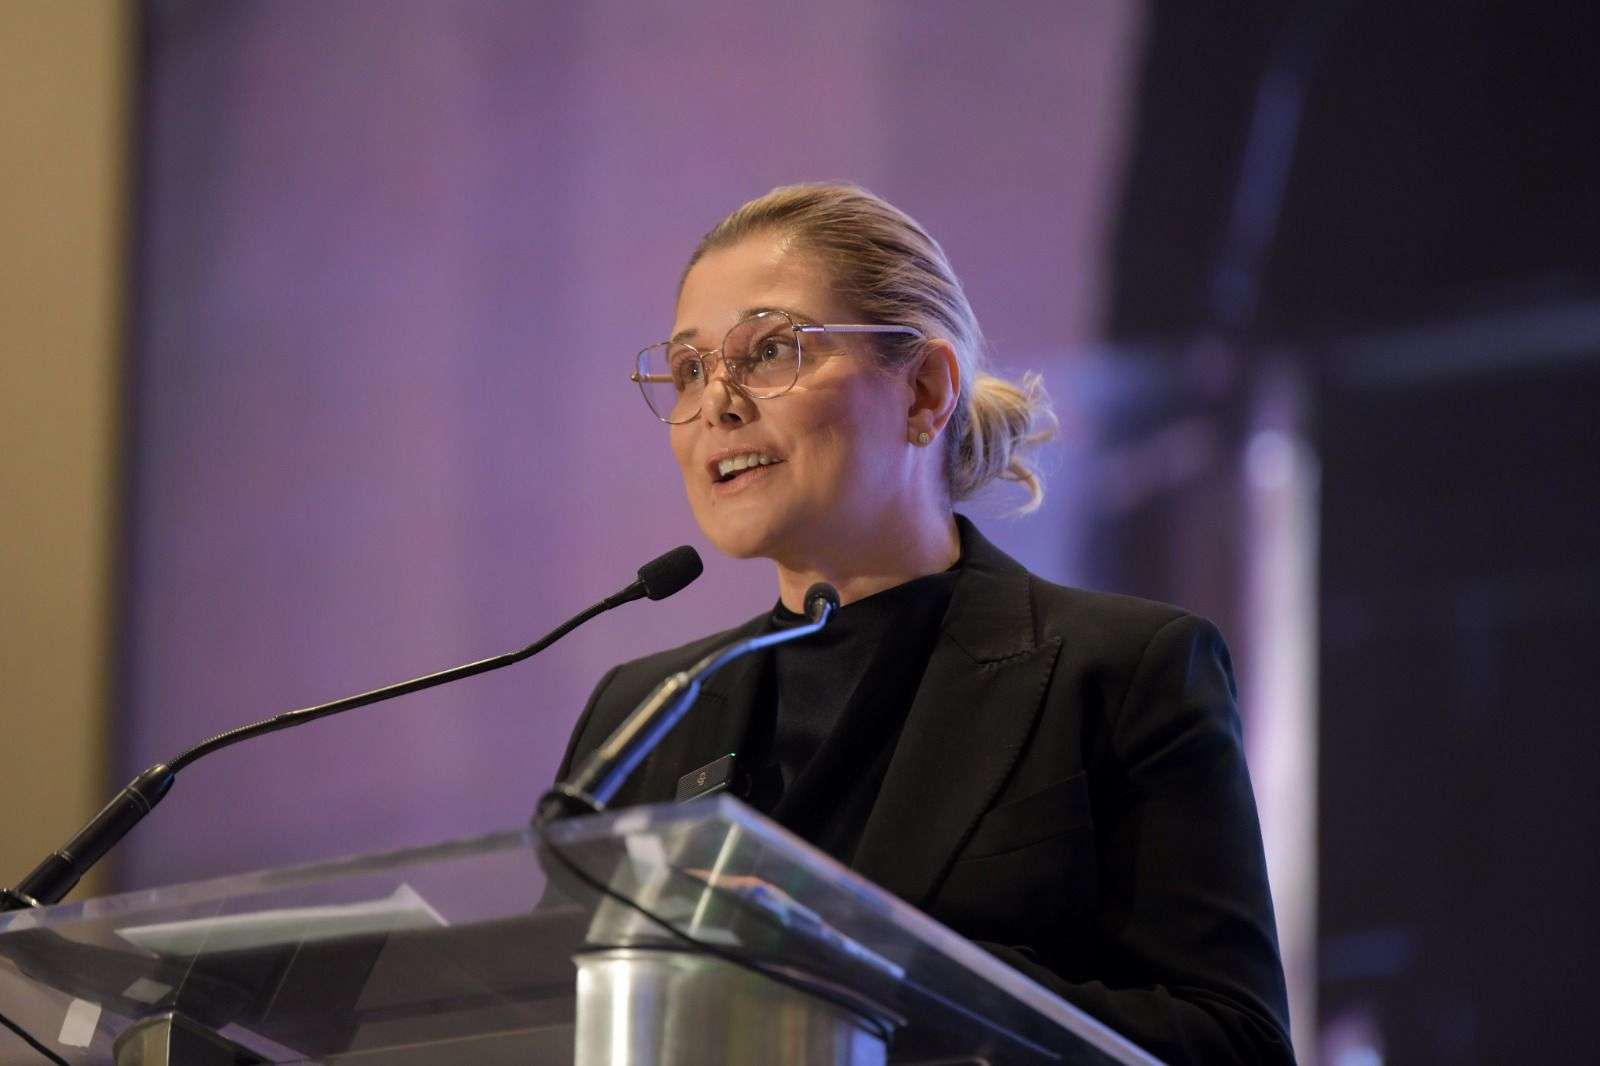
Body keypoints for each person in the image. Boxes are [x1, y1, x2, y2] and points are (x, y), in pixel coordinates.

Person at [556, 183, 1294, 1063]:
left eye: (771, 350)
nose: (716, 403)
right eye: (688, 369)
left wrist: (873, 971)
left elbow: (1235, 1046)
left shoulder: (1123, 671)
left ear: (924, 391)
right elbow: (551, 1022)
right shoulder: (642, 716)